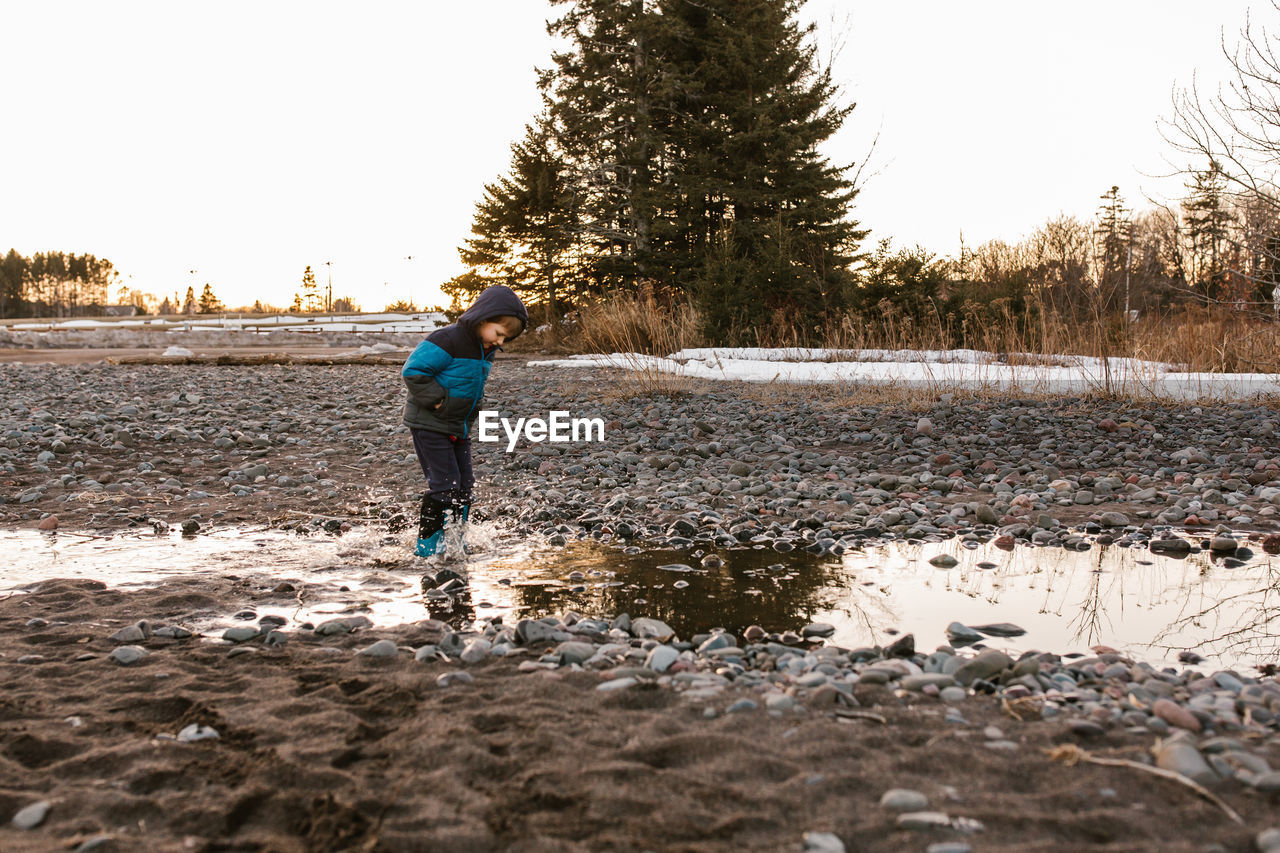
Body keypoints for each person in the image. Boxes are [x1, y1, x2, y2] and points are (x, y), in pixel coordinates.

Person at [402, 285, 527, 557]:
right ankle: (426, 547)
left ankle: (456, 541)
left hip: (459, 426)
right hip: (430, 424)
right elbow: (414, 370)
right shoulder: (447, 339)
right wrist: (438, 401)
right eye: (499, 334)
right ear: (483, 318)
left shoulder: (485, 349)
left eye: (506, 339)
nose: (500, 342)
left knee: (465, 486)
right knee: (445, 484)